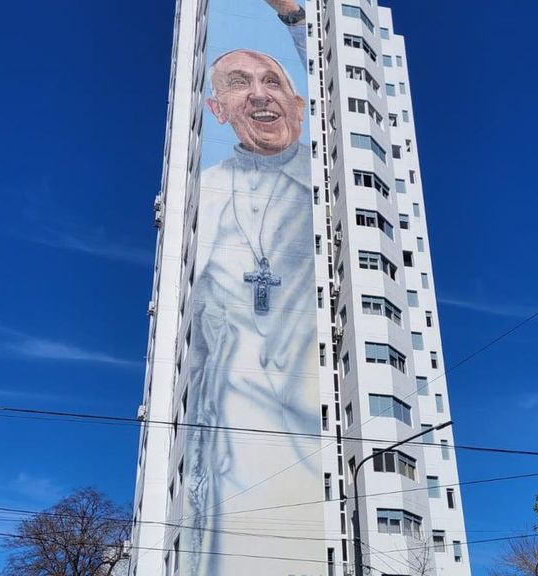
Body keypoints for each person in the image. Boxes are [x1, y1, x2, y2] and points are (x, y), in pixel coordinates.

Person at [181, 3, 323, 575]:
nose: (261, 95)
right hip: (231, 453)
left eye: (273, 82)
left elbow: (338, 85)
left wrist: (294, 17)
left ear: (300, 105)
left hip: (318, 438)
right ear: (216, 110)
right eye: (239, 84)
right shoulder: (203, 191)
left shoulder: (333, 184)